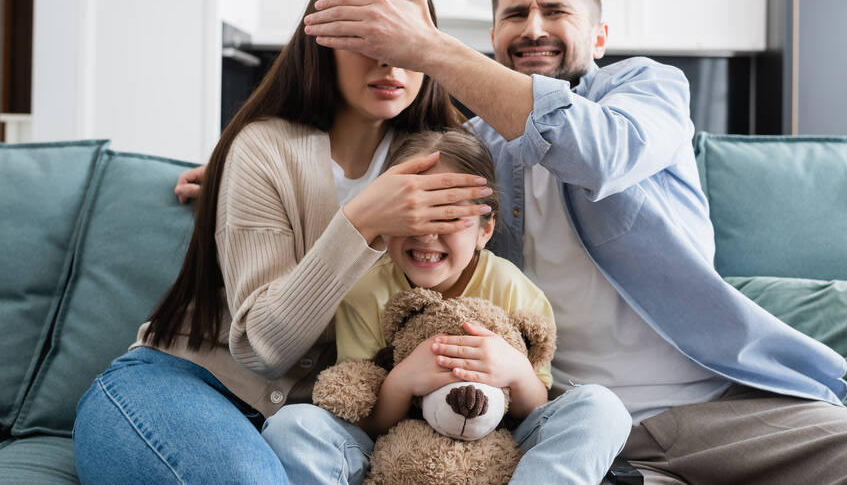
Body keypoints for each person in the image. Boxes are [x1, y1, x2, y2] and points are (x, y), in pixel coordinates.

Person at [295, 0, 847, 483]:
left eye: (555, 11)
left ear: (599, 36)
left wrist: (430, 48)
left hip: (718, 409)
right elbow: (388, 189)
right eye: (514, 14)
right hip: (562, 420)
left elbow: (597, 151)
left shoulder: (648, 91)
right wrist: (267, 162)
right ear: (496, 38)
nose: (533, 27)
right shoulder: (479, 147)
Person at [72, 0, 493, 484]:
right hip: (181, 384)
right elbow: (264, 349)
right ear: (322, 41)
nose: (388, 60)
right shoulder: (264, 148)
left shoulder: (446, 159)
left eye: (404, 37)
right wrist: (361, 220)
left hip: (314, 424)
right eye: (366, 35)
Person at [260, 130, 627, 484]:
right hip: (394, 455)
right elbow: (366, 423)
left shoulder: (512, 288)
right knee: (293, 425)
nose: (425, 235)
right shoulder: (365, 291)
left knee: (602, 408)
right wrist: (401, 382)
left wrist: (516, 372)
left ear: (485, 229)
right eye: (411, 216)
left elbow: (534, 409)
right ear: (386, 219)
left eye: (449, 217)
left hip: (501, 453)